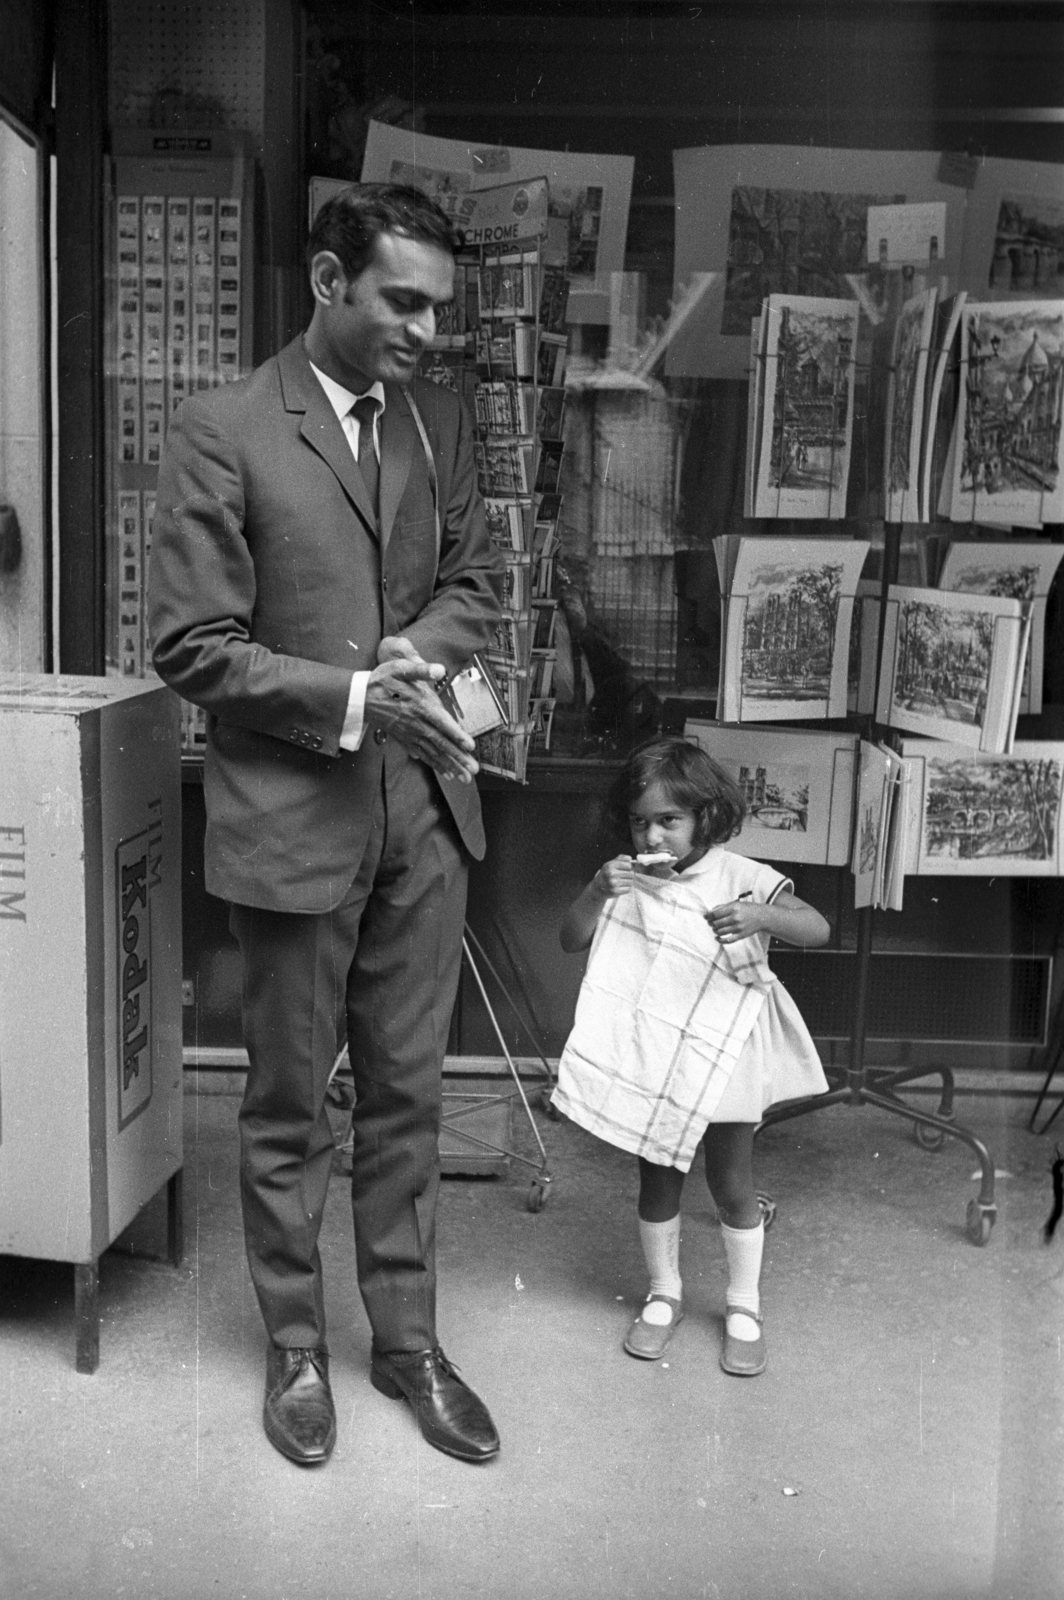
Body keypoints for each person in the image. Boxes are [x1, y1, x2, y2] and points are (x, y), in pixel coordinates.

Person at [148, 184, 506, 1467]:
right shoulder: (223, 430)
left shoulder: (440, 422)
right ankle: (296, 1347)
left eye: (437, 310)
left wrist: (415, 650)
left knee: (408, 1095)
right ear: (324, 281)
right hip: (294, 819)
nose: (424, 329)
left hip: (422, 816)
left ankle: (404, 1341)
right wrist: (358, 696)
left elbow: (476, 581)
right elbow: (192, 646)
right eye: (400, 301)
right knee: (292, 1103)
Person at [551, 736, 830, 1377]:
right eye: (640, 820)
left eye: (669, 821)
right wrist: (598, 889)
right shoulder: (628, 876)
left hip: (724, 1056)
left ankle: (743, 1304)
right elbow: (571, 938)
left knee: (732, 1183)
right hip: (656, 1056)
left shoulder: (741, 876)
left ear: (707, 816)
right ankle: (664, 1293)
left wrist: (759, 916)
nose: (653, 833)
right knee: (658, 1178)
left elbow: (816, 927)